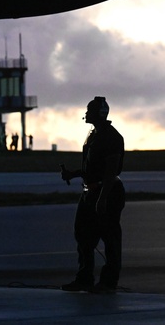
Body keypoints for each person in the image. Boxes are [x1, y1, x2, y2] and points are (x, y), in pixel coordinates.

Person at [59, 96, 125, 293]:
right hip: (90, 193)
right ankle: (85, 278)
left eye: (89, 110)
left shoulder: (111, 137)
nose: (86, 113)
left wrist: (103, 199)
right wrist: (73, 174)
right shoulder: (93, 135)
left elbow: (111, 171)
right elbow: (93, 169)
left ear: (99, 113)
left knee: (109, 238)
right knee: (83, 237)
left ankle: (108, 283)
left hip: (107, 193)